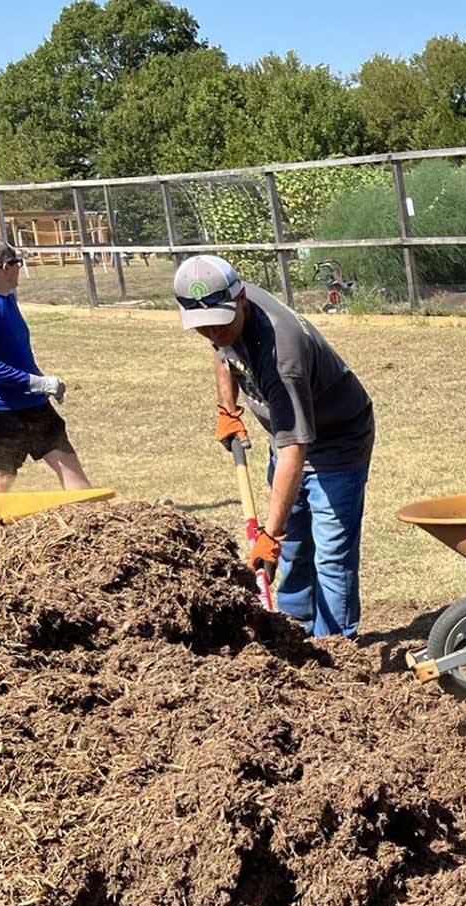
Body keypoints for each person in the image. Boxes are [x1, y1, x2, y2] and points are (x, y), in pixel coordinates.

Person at [175, 255, 375, 639]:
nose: (213, 333)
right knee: (296, 545)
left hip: (336, 439)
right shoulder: (223, 316)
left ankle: (336, 643)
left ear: (242, 300)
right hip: (288, 436)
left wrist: (270, 534)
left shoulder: (283, 356)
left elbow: (295, 451)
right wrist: (227, 407)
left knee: (331, 553)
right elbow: (222, 352)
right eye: (204, 327)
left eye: (220, 324)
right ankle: (294, 630)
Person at [0, 237, 92, 494]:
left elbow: (15, 352)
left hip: (31, 401)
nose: (19, 268)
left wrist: (41, 384)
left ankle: (98, 520)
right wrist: (36, 382)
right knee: (1, 477)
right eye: (17, 262)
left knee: (66, 460)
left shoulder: (6, 297)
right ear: (6, 267)